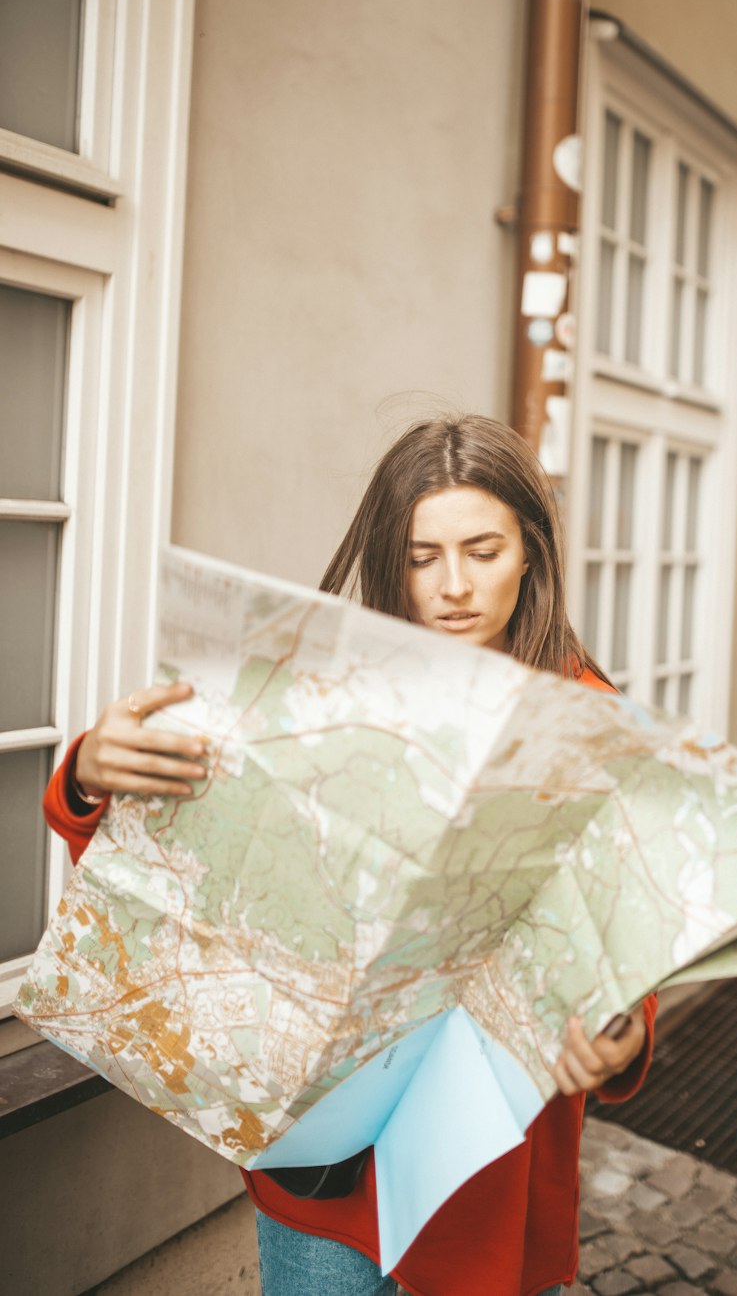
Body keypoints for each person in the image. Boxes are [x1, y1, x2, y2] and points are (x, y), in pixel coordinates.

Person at [42, 414, 658, 1296]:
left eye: (482, 551)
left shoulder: (593, 726)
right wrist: (91, 776)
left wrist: (626, 1029)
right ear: (388, 560)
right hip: (323, 1167)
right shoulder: (319, 688)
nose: (452, 586)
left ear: (532, 551)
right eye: (421, 557)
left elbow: (634, 935)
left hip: (482, 1176)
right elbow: (169, 878)